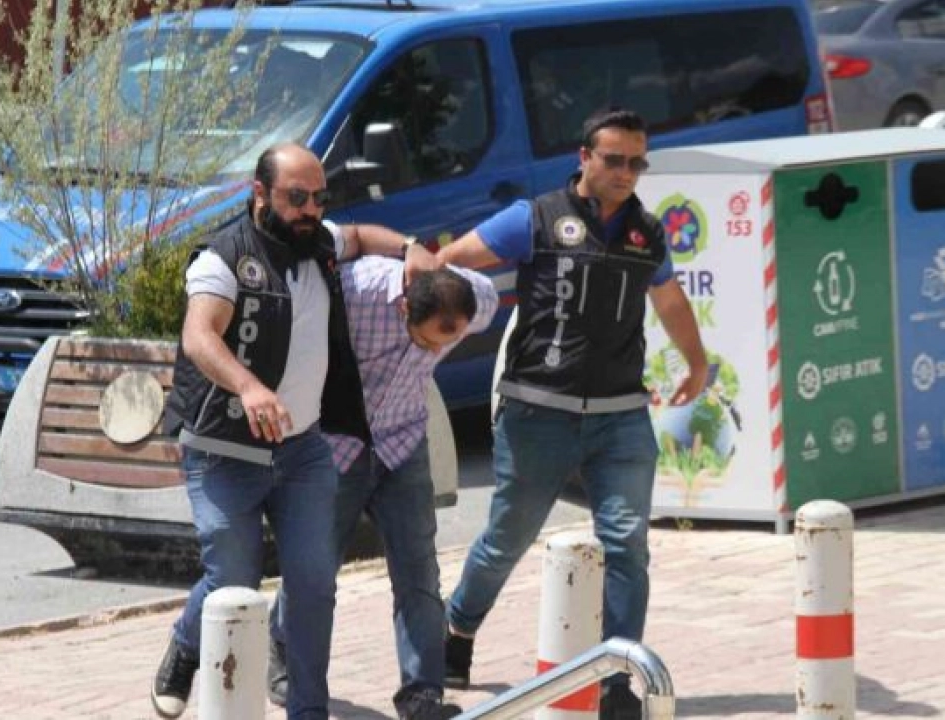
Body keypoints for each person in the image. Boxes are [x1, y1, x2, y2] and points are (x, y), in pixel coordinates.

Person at [436, 107, 709, 720]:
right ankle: (457, 627)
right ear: (583, 158)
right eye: (613, 160)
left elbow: (669, 300)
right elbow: (454, 260)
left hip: (622, 415)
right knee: (507, 539)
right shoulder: (533, 218)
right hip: (538, 411)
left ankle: (616, 678)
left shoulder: (646, 232)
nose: (626, 172)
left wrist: (697, 363)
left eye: (636, 163)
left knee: (627, 545)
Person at [151, 142, 437, 720]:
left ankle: (308, 710)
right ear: (260, 194)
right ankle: (186, 645)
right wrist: (248, 386)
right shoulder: (223, 259)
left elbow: (359, 236)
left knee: (313, 584)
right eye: (297, 197)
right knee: (233, 579)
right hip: (223, 449)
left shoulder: (320, 241)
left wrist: (411, 249)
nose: (310, 210)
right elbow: (199, 337)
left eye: (319, 198)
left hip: (303, 451)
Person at [270, 258, 499, 720]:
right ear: (403, 308)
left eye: (448, 342)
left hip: (403, 441)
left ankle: (422, 693)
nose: (435, 352)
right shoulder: (358, 292)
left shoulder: (477, 300)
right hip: (336, 445)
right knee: (314, 569)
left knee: (419, 572)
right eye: (427, 341)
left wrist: (435, 260)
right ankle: (284, 652)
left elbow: (481, 288)